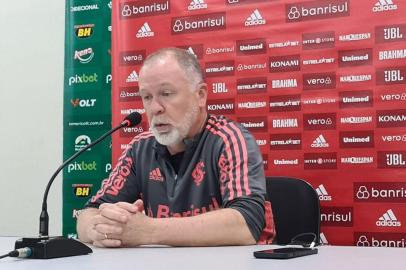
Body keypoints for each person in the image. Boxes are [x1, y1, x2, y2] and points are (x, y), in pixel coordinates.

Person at [76, 47, 274, 247]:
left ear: (200, 95)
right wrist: (98, 228)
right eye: (146, 97)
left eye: (166, 93)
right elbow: (89, 212)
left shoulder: (229, 139)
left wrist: (147, 230)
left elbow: (247, 224)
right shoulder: (139, 148)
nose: (155, 108)